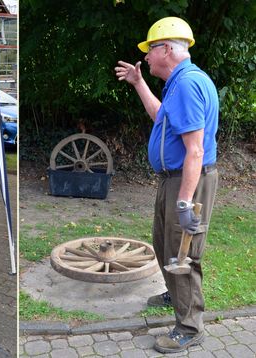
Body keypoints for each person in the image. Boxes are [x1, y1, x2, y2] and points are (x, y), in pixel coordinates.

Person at [115, 17, 218, 354]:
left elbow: (196, 150)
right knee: (165, 244)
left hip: (188, 181)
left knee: (182, 253)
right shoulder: (177, 83)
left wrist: (185, 203)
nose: (145, 57)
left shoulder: (187, 84)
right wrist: (138, 83)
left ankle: (189, 327)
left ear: (168, 50)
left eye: (150, 50)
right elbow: (160, 115)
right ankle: (176, 294)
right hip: (173, 180)